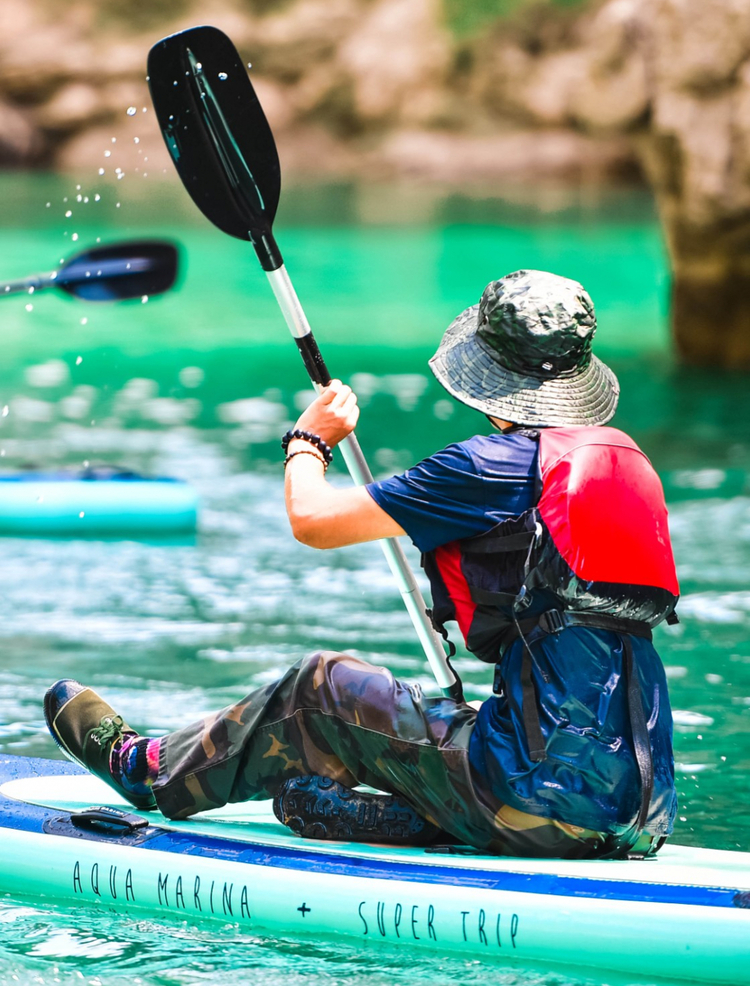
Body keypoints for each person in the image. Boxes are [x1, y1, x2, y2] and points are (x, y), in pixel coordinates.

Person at [44, 269, 679, 859]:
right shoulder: (625, 468)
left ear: (490, 376)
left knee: (318, 686)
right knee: (455, 720)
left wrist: (309, 439)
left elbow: (312, 520)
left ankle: (149, 771)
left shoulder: (485, 467)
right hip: (642, 809)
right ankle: (419, 815)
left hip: (529, 793)